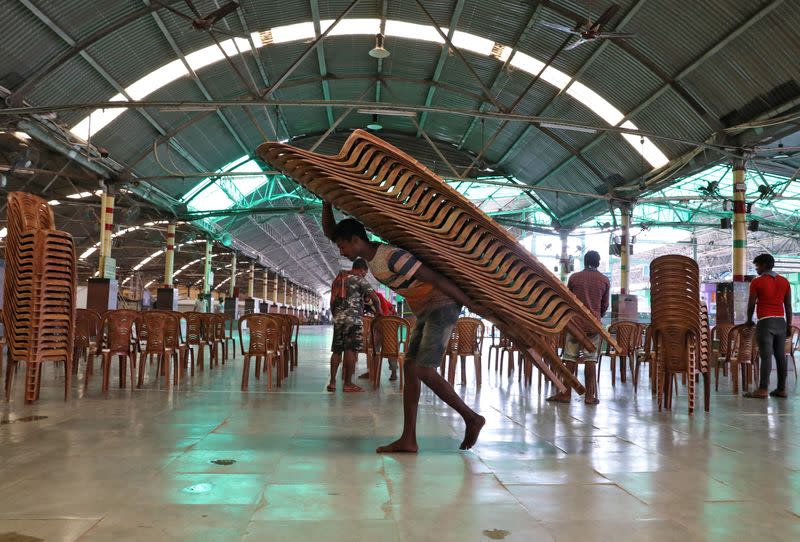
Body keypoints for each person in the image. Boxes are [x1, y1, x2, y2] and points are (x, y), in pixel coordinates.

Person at [322, 202, 485, 453]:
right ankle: (408, 439)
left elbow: (436, 278)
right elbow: (331, 231)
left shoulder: (391, 257)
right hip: (426, 310)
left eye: (343, 246)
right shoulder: (371, 258)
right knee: (410, 367)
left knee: (424, 370)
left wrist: (471, 304)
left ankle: (471, 417)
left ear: (355, 240)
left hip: (442, 305)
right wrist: (326, 203)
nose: (341, 251)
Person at [547, 250, 609, 405]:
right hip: (593, 325)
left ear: (585, 261)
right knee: (590, 360)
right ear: (598, 262)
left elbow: (567, 299)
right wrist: (596, 314)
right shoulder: (604, 280)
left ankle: (565, 394)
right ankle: (589, 397)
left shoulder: (574, 278)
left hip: (574, 324)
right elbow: (604, 305)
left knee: (569, 358)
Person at [329, 258, 384, 393]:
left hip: (338, 319)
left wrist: (336, 315)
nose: (365, 274)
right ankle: (348, 384)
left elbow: (332, 301)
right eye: (365, 272)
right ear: (362, 269)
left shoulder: (339, 279)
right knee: (350, 350)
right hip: (353, 320)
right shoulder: (360, 279)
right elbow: (375, 298)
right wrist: (379, 313)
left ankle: (332, 382)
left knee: (336, 350)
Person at [744, 253, 793, 399]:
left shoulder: (757, 282)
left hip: (765, 322)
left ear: (764, 265)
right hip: (781, 322)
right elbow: (788, 306)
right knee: (780, 356)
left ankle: (763, 389)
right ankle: (781, 389)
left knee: (766, 356)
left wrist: (748, 320)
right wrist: (788, 325)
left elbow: (751, 303)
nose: (757, 269)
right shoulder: (784, 282)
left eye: (757, 265)